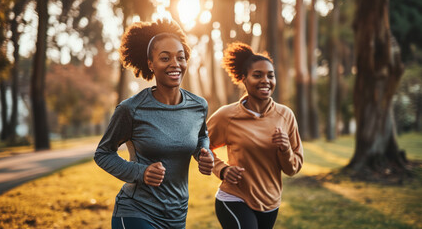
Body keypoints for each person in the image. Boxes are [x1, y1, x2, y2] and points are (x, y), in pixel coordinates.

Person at [94, 19, 214, 229]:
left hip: (176, 216)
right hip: (135, 212)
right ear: (151, 64)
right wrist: (141, 172)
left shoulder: (198, 106)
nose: (175, 64)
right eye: (165, 58)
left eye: (180, 57)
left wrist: (204, 152)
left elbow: (200, 136)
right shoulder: (131, 109)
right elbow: (103, 153)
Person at [207, 42, 304, 229]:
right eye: (257, 75)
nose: (265, 80)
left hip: (270, 202)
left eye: (270, 75)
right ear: (244, 79)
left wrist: (285, 150)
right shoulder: (227, 116)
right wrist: (223, 170)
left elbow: (292, 169)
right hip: (234, 198)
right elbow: (200, 145)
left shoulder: (286, 115)